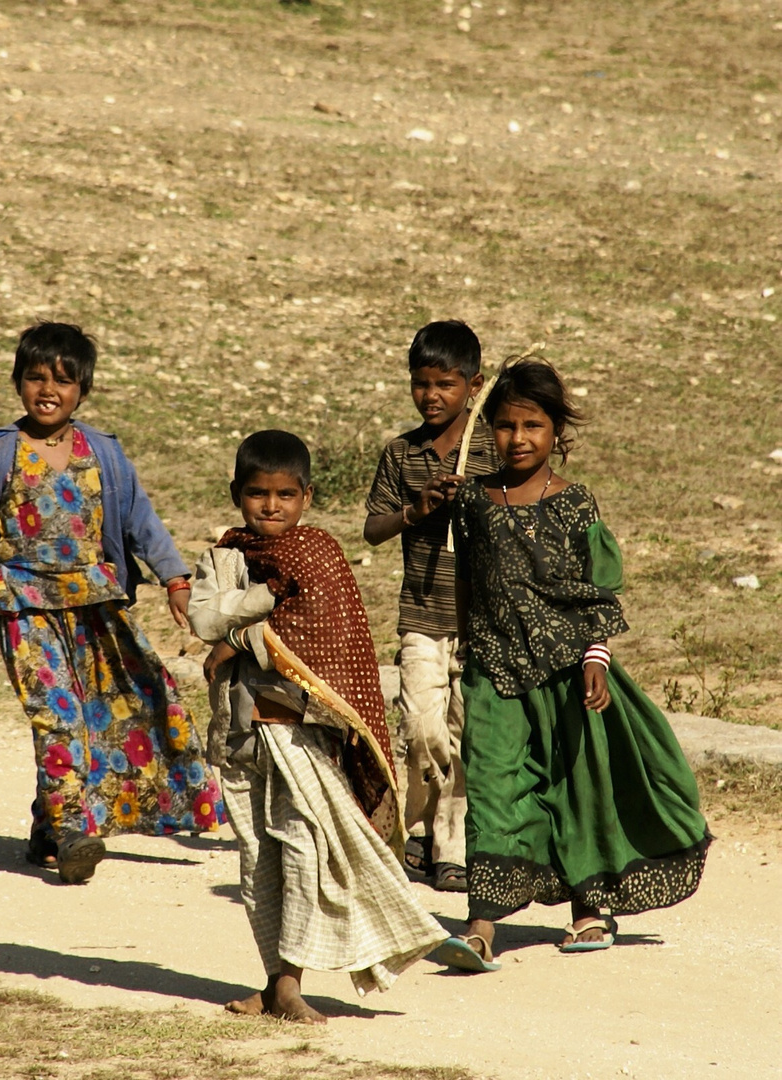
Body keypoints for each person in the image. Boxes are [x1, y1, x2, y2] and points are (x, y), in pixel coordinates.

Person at [0, 322, 225, 886]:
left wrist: (175, 577)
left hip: (95, 605)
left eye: (62, 380)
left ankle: (47, 828)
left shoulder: (103, 453)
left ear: (84, 389)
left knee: (110, 713)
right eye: (34, 377)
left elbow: (139, 522)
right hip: (24, 606)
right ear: (17, 383)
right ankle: (76, 830)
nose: (47, 390)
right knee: (56, 716)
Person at [436, 357, 710, 973]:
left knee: (576, 782)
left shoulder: (574, 504)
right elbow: (466, 582)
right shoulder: (473, 503)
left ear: (557, 431)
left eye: (533, 425)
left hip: (568, 671)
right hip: (494, 669)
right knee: (491, 786)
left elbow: (597, 590)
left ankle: (590, 907)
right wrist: (464, 646)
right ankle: (480, 927)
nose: (518, 439)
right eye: (506, 426)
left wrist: (597, 657)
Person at [190, 430, 447, 1024]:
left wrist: (239, 640)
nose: (271, 507)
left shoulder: (319, 554)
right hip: (241, 735)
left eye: (284, 494)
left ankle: (293, 982)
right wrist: (259, 609)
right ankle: (273, 981)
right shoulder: (225, 556)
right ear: (237, 494)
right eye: (257, 494)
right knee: (258, 861)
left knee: (305, 849)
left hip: (302, 733)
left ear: (306, 496)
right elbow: (207, 616)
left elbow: (326, 641)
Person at [363, 320, 497, 893]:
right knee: (422, 729)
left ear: (475, 384)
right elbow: (373, 528)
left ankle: (451, 848)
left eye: (446, 384)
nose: (432, 395)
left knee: (467, 732)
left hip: (481, 619)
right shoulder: (402, 452)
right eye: (421, 383)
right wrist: (416, 512)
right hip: (422, 613)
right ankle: (420, 829)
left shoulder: (496, 448)